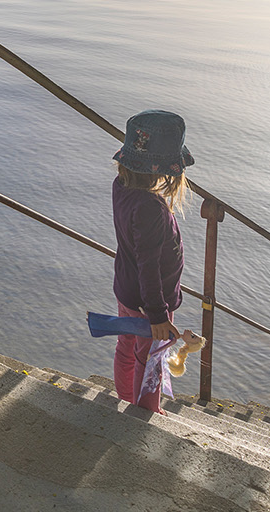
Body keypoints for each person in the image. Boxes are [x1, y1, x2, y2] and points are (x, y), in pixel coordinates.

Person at [111, 109, 193, 414]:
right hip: (149, 304)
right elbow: (149, 267)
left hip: (126, 291)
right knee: (150, 358)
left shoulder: (121, 186)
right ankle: (145, 412)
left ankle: (125, 398)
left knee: (126, 346)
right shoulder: (151, 208)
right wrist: (158, 315)